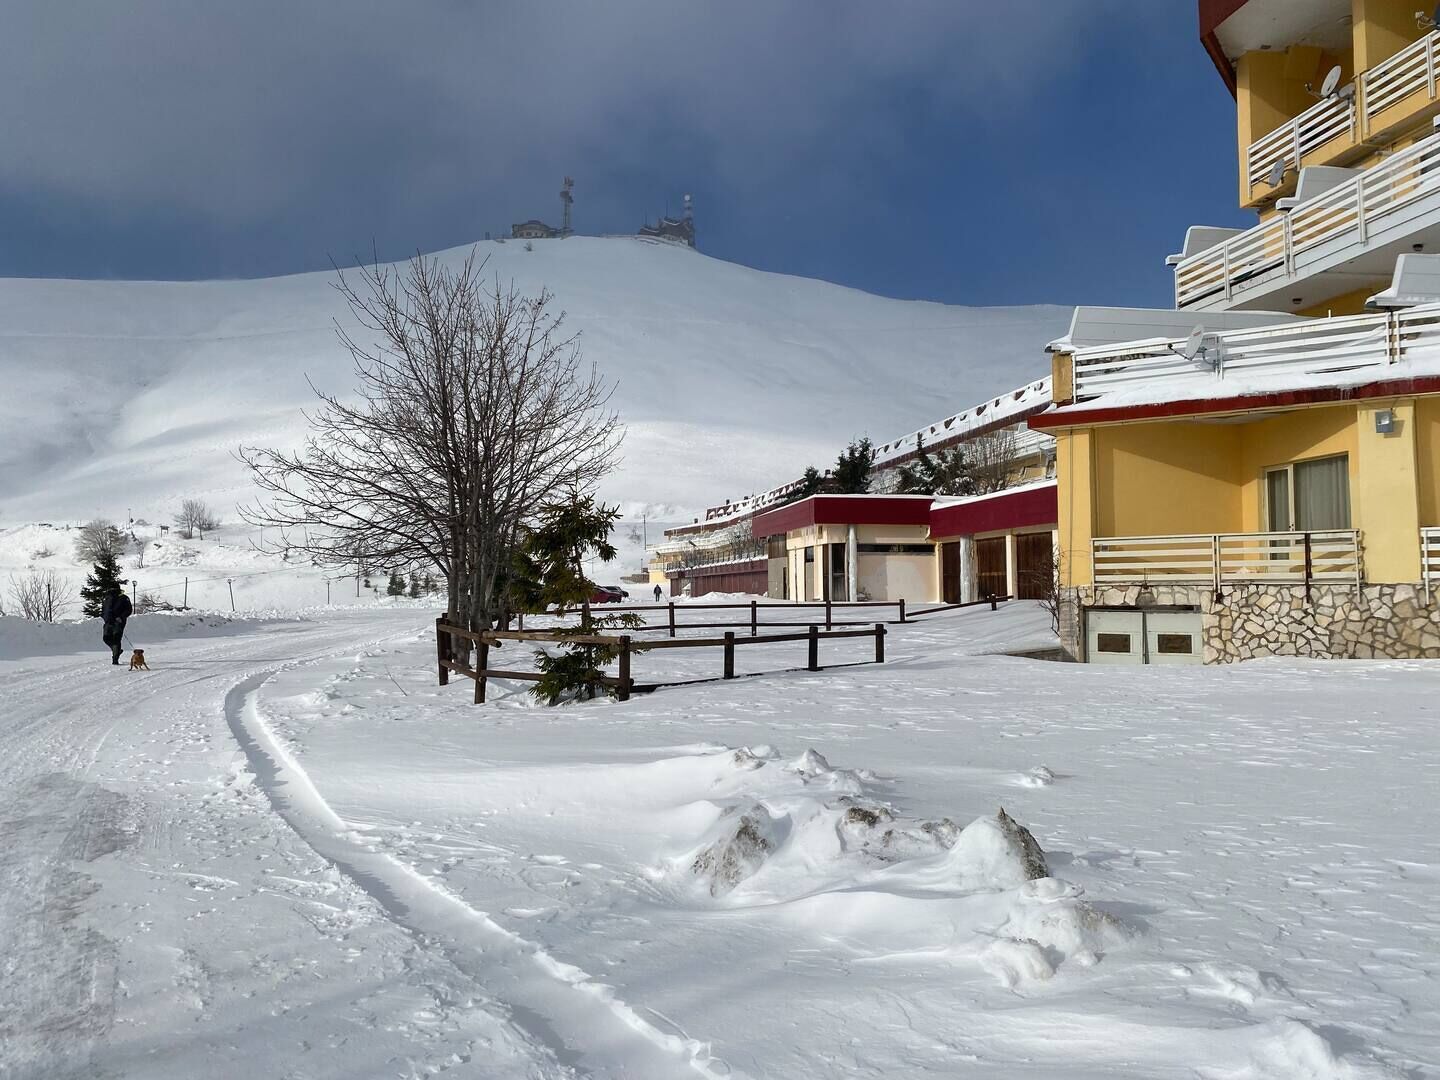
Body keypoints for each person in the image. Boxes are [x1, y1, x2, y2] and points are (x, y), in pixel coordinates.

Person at [101, 585, 133, 666]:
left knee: (116, 639)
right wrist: (104, 616)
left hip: (119, 622)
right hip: (108, 621)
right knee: (106, 638)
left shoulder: (124, 597)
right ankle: (116, 651)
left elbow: (129, 610)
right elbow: (103, 609)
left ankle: (115, 658)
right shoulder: (107, 598)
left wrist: (121, 617)